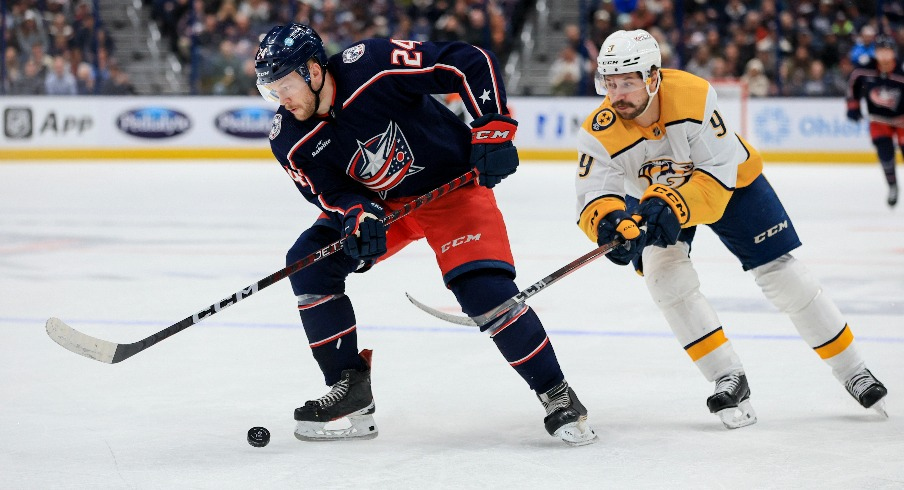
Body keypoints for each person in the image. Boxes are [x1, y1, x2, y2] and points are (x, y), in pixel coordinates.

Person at [253, 23, 597, 446]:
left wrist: (494, 125)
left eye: (286, 84)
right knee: (309, 264)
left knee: (482, 291)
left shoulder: (373, 64)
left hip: (451, 189)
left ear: (313, 70)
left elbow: (466, 61)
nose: (282, 99)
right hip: (386, 208)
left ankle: (556, 393)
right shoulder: (289, 137)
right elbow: (328, 192)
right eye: (271, 90)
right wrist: (358, 214)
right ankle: (350, 389)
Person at [574, 29, 888, 429]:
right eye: (610, 83)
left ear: (653, 77)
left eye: (628, 82)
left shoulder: (693, 96)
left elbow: (715, 180)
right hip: (654, 198)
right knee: (663, 277)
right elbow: (593, 193)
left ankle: (853, 370)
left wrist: (670, 204)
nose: (617, 95)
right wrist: (607, 223)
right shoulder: (599, 129)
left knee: (782, 273)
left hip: (728, 183)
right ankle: (727, 375)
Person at [846, 34, 904, 207]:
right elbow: (853, 85)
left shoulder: (901, 71)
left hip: (902, 121)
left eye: (887, 51)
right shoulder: (864, 69)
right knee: (885, 154)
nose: (884, 56)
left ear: (893, 52)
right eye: (880, 52)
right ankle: (892, 185)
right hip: (879, 120)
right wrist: (853, 107)